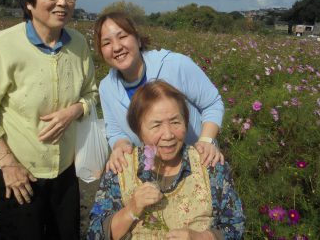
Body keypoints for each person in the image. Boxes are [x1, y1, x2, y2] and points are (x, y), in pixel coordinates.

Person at [0, 0, 98, 240]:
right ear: (29, 1)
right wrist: (8, 165)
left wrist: (75, 110)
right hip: (18, 175)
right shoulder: (3, 46)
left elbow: (91, 93)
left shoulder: (77, 43)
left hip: (65, 172)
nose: (63, 2)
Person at [88, 80, 245, 239]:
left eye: (176, 122)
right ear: (138, 130)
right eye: (156, 125)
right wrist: (131, 209)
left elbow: (235, 227)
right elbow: (95, 233)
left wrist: (199, 237)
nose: (168, 134)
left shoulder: (209, 165)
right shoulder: (121, 168)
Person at [94, 12, 225, 173]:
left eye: (122, 36)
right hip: (154, 170)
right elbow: (115, 131)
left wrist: (206, 140)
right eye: (106, 43)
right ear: (101, 52)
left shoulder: (174, 64)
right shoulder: (106, 88)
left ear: (138, 39)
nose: (116, 47)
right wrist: (121, 146)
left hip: (199, 161)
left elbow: (212, 103)